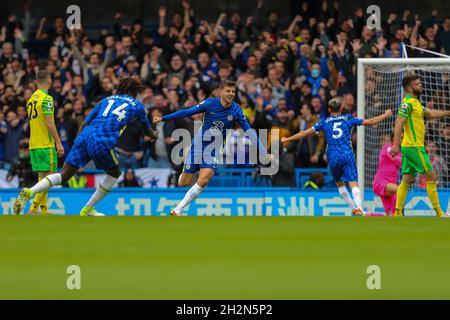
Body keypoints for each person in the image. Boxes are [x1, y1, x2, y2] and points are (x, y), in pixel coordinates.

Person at [14, 77, 157, 216]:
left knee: (64, 175)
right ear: (134, 91)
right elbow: (147, 130)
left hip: (85, 135)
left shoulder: (106, 100)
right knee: (115, 173)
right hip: (103, 139)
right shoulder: (136, 105)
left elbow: (84, 123)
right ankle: (88, 208)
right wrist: (154, 135)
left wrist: (78, 144)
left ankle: (30, 191)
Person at [153, 80, 273, 216]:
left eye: (233, 91)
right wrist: (163, 118)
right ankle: (181, 175)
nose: (231, 94)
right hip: (198, 145)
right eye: (228, 91)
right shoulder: (210, 103)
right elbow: (187, 112)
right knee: (183, 183)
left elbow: (249, 131)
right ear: (220, 92)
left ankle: (178, 209)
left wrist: (264, 151)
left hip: (214, 150)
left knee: (204, 180)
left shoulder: (236, 110)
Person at [281, 97, 393, 216]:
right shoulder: (348, 118)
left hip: (333, 155)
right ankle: (359, 208)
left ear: (329, 109)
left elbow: (304, 133)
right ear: (341, 108)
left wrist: (287, 139)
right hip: (346, 153)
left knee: (340, 183)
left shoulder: (324, 121)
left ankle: (353, 208)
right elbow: (371, 121)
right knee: (353, 182)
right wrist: (386, 114)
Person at [390, 73, 450, 217]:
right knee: (431, 175)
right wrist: (395, 144)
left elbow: (429, 113)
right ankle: (439, 213)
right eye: (417, 84)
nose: (421, 85)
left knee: (407, 179)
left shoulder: (415, 102)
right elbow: (399, 122)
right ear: (409, 88)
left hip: (411, 146)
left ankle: (397, 213)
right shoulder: (407, 103)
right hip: (413, 147)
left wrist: (448, 112)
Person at [26, 70, 64, 215]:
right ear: (49, 82)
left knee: (43, 177)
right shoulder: (47, 99)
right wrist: (58, 142)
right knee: (51, 177)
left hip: (34, 144)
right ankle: (33, 206)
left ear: (37, 82)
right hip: (45, 144)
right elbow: (49, 123)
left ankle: (42, 209)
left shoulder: (31, 99)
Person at [372, 133, 402, 216]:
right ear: (393, 139)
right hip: (381, 182)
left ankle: (367, 215)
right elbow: (397, 159)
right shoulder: (387, 147)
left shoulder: (401, 153)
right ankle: (397, 213)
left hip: (390, 185)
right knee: (401, 190)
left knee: (389, 216)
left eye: (402, 137)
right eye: (400, 137)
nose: (401, 139)